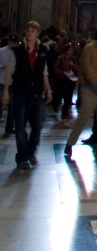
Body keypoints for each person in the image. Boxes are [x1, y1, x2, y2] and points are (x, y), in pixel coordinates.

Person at [2, 21, 52, 169]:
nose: (29, 33)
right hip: (20, 92)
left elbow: (44, 72)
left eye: (32, 31)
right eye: (28, 30)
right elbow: (9, 71)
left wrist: (48, 89)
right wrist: (5, 91)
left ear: (37, 33)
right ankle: (22, 158)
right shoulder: (17, 50)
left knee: (38, 125)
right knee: (20, 125)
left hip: (36, 93)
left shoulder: (43, 49)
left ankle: (30, 151)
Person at [64, 26, 97, 160]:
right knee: (84, 117)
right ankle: (70, 143)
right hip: (90, 89)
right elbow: (88, 69)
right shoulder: (89, 48)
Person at [52, 42, 79, 119]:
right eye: (70, 50)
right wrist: (62, 72)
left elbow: (77, 68)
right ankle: (56, 104)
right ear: (66, 51)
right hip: (62, 79)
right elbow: (55, 68)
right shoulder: (60, 58)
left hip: (70, 80)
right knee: (60, 94)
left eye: (72, 50)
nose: (71, 52)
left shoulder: (73, 59)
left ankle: (65, 111)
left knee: (68, 95)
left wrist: (73, 66)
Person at [0, 34, 19, 136]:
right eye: (11, 42)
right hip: (1, 80)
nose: (12, 44)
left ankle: (9, 126)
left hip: (13, 82)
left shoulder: (18, 52)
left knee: (12, 106)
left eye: (14, 42)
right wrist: (2, 66)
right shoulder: (2, 51)